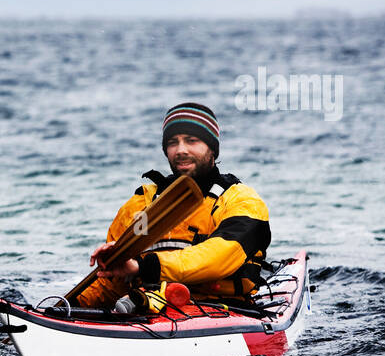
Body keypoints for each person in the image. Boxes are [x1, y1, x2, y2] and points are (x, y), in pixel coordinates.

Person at [80, 102, 271, 309]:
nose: (180, 150)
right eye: (173, 142)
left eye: (192, 141)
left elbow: (219, 256)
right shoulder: (140, 205)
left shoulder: (243, 201)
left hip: (223, 308)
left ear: (212, 149)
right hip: (147, 308)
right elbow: (109, 284)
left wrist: (144, 267)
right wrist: (68, 306)